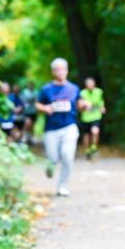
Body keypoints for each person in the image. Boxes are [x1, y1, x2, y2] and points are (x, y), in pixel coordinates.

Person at [36, 58, 85, 197]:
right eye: (57, 69)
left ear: (67, 70)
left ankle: (62, 186)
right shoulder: (46, 89)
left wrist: (84, 105)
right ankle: (50, 165)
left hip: (69, 126)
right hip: (51, 129)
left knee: (67, 156)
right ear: (53, 72)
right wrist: (45, 108)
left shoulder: (74, 88)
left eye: (63, 69)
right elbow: (38, 105)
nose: (61, 72)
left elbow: (79, 104)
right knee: (53, 158)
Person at [78, 76, 105, 160]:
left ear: (94, 84)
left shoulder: (99, 91)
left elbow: (101, 102)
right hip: (85, 117)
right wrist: (84, 105)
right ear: (86, 85)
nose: (89, 85)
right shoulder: (82, 93)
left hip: (96, 116)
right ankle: (87, 150)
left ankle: (94, 147)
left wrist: (102, 107)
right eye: (88, 84)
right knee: (86, 135)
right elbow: (80, 105)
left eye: (91, 83)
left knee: (95, 130)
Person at [20, 80, 38, 145]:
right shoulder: (25, 92)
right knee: (27, 123)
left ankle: (31, 138)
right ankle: (24, 137)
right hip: (27, 111)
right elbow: (22, 100)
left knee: (32, 125)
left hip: (34, 111)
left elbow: (37, 101)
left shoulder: (36, 92)